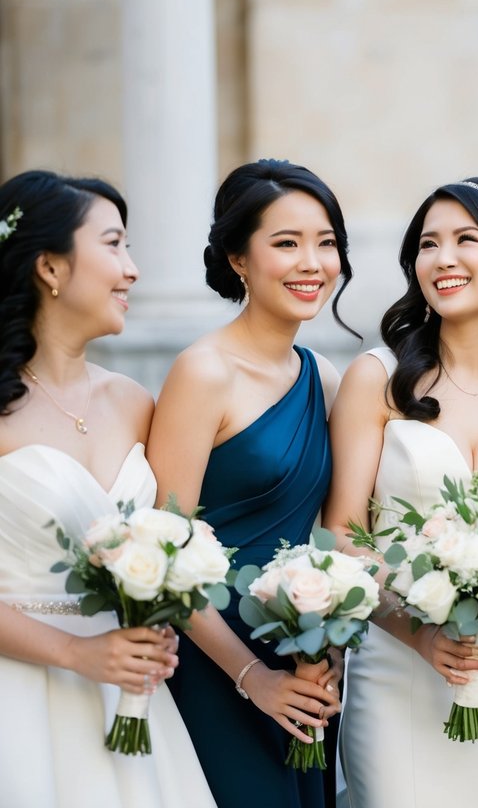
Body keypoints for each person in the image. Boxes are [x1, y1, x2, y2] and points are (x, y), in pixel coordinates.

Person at [325, 177, 478, 808]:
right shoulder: (376, 379)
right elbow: (342, 532)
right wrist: (418, 632)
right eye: (428, 244)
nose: (443, 258)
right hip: (396, 665)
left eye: (467, 239)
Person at [0, 170, 214, 806]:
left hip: (130, 701)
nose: (133, 270)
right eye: (114, 245)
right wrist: (76, 652)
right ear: (50, 267)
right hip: (21, 695)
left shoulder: (134, 402)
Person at [147, 160, 350, 808]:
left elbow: (337, 531)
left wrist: (328, 643)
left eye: (325, 242)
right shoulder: (203, 372)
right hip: (215, 661)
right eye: (286, 243)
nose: (312, 262)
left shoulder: (326, 378)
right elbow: (162, 553)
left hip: (302, 656)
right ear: (238, 257)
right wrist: (249, 675)